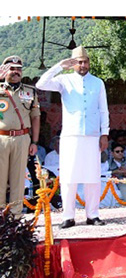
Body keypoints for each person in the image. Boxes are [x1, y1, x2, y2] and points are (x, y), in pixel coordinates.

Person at [36, 46, 109, 228]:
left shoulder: (98, 83)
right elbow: (40, 84)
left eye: (85, 62)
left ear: (89, 63)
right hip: (70, 135)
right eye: (79, 62)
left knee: (93, 176)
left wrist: (105, 133)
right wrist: (60, 66)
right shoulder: (64, 80)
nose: (82, 65)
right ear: (73, 63)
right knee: (69, 177)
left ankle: (93, 215)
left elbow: (103, 110)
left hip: (93, 135)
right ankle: (68, 216)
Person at [0, 56, 41, 219]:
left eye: (19, 69)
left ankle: (16, 216)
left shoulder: (30, 91)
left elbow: (36, 117)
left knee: (18, 178)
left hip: (22, 138)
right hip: (1, 138)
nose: (16, 72)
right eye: (12, 69)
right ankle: (1, 217)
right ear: (4, 71)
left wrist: (35, 141)